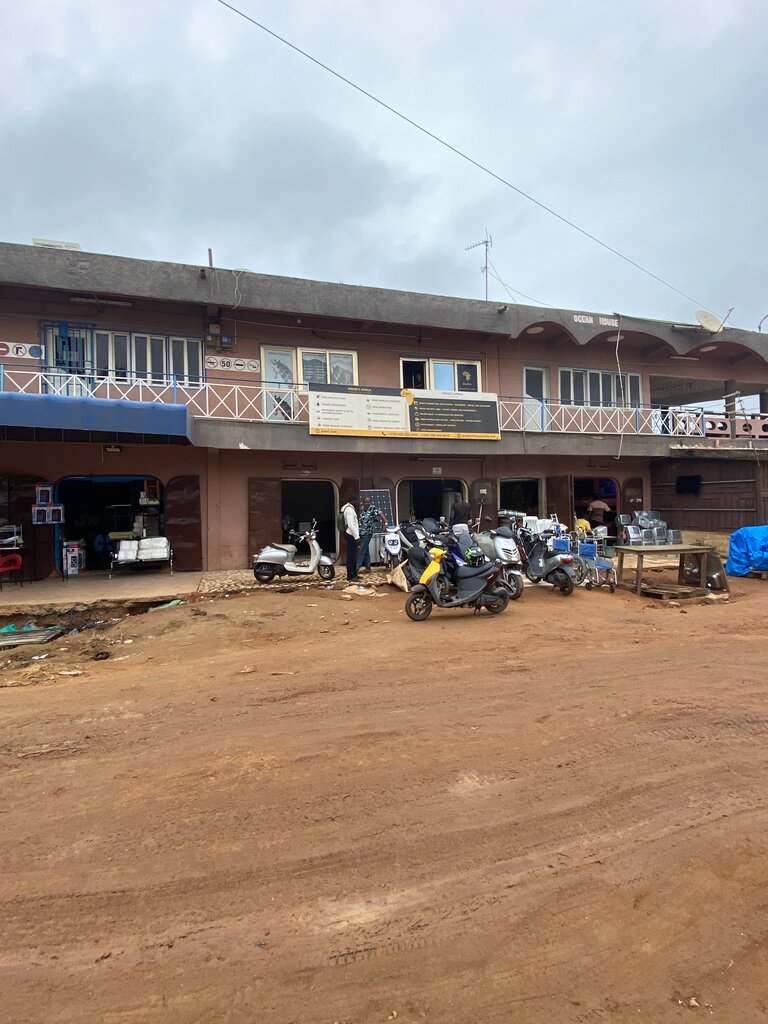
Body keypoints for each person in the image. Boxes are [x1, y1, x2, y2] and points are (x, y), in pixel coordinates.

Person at [357, 495, 386, 573]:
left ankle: (356, 568)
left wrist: (385, 523)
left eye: (368, 502)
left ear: (371, 502)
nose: (367, 503)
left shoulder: (373, 509)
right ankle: (368, 568)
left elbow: (381, 514)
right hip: (361, 532)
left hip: (368, 532)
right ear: (363, 502)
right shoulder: (361, 509)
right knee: (366, 550)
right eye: (365, 502)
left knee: (362, 550)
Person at [341, 495, 360, 582]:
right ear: (354, 501)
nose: (357, 503)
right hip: (351, 534)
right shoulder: (349, 510)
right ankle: (351, 576)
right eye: (356, 501)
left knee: (353, 555)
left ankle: (354, 574)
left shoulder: (345, 508)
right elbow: (351, 525)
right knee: (351, 556)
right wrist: (357, 537)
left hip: (350, 534)